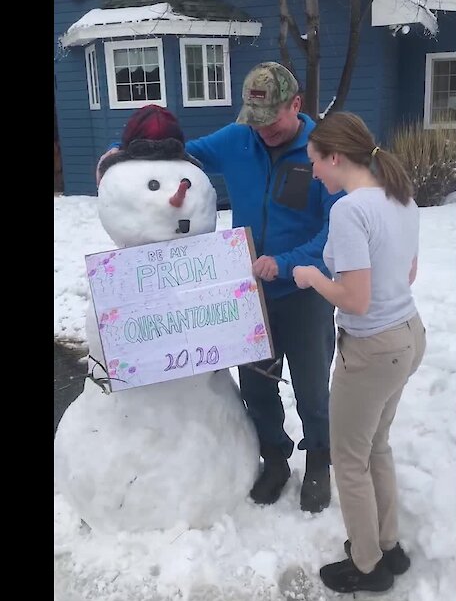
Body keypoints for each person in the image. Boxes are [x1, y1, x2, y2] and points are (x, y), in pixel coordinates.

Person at [97, 62, 342, 513]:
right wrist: (120, 154)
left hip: (305, 293)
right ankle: (275, 460)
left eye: (272, 121)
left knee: (311, 387)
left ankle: (319, 461)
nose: (262, 131)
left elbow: (337, 232)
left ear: (296, 104)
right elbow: (172, 154)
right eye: (255, 121)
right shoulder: (237, 139)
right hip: (247, 294)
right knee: (257, 386)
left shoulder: (324, 152)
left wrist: (285, 263)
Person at [291, 111, 425, 593]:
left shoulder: (349, 210)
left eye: (315, 164)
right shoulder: (400, 196)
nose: (315, 174)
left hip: (371, 348)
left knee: (349, 459)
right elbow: (407, 273)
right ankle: (387, 544)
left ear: (334, 157)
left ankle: (367, 565)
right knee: (377, 446)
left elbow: (355, 300)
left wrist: (311, 278)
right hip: (409, 334)